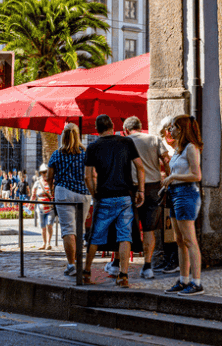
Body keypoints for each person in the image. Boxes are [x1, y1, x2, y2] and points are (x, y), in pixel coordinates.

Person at [81, 114, 144, 288]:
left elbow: (88, 177)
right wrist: (141, 190)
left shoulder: (92, 147)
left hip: (104, 196)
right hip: (125, 196)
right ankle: (123, 276)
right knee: (125, 236)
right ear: (113, 125)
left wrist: (94, 194)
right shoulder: (126, 142)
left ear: (96, 130)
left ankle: (86, 272)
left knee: (95, 236)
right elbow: (140, 167)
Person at [161, 114, 204, 295]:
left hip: (187, 193)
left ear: (181, 128)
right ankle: (183, 279)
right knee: (179, 240)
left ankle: (196, 282)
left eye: (173, 127)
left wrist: (173, 176)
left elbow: (197, 175)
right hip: (175, 193)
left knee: (189, 240)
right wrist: (168, 181)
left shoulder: (190, 149)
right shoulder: (179, 149)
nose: (170, 129)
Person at [124, 116, 169, 280]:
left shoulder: (125, 141)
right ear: (140, 126)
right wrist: (169, 178)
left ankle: (120, 266)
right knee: (150, 229)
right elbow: (166, 159)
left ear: (126, 130)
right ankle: (148, 266)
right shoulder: (154, 139)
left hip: (131, 188)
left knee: (126, 226)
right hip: (153, 187)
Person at [46, 123, 91, 277]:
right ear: (78, 136)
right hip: (83, 193)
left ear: (63, 136)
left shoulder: (56, 154)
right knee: (80, 229)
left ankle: (71, 264)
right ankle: (80, 263)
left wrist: (52, 186)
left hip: (63, 191)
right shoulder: (86, 154)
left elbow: (48, 177)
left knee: (67, 229)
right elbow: (91, 174)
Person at [33, 164, 55, 250]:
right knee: (43, 227)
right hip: (40, 208)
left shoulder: (52, 182)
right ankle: (44, 243)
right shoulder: (37, 182)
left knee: (49, 224)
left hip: (50, 207)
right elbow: (33, 194)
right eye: (42, 172)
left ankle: (48, 243)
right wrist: (30, 204)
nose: (44, 174)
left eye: (45, 172)